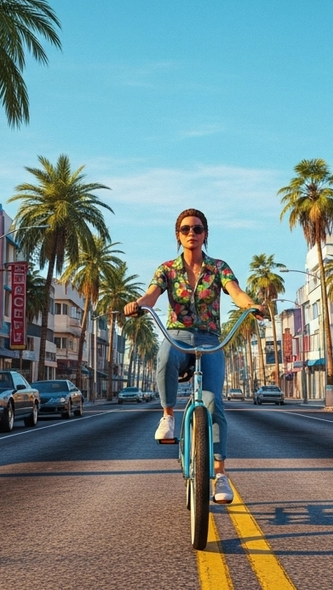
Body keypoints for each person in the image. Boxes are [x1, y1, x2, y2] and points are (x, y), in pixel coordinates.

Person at [124, 208, 264, 505]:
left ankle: (221, 472)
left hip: (210, 339)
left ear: (205, 234)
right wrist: (138, 304)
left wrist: (252, 305)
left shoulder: (218, 268)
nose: (192, 234)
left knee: (213, 404)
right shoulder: (167, 270)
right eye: (186, 229)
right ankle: (167, 416)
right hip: (178, 336)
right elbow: (151, 295)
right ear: (178, 234)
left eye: (197, 229)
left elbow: (235, 292)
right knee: (165, 356)